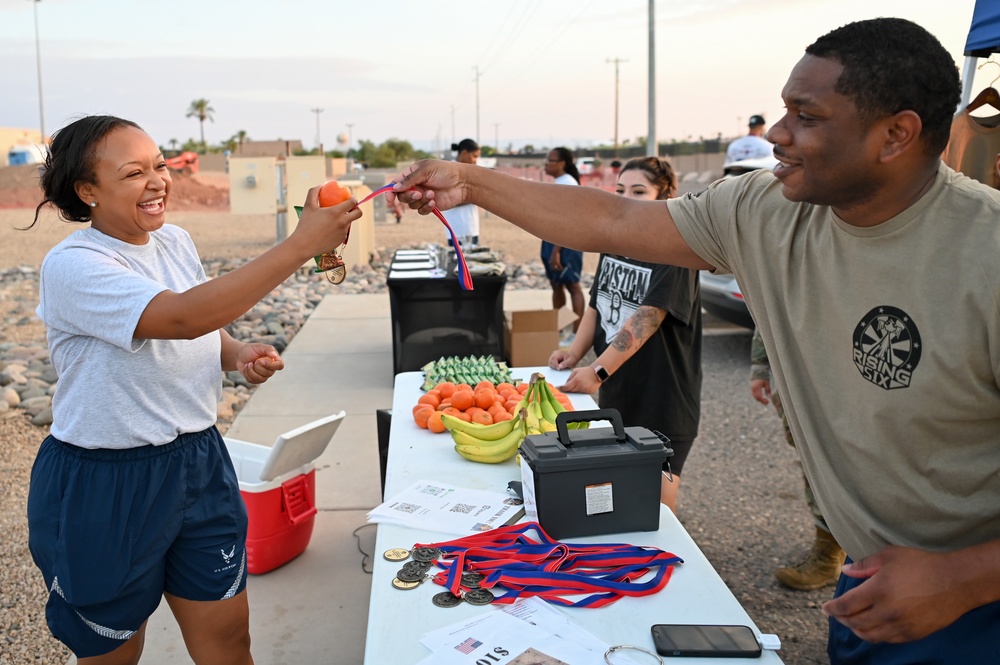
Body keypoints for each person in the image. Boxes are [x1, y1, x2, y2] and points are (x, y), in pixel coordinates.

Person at [391, 18, 1000, 663]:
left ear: (896, 134)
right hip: (874, 587)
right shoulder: (764, 209)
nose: (777, 136)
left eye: (807, 116)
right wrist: (474, 184)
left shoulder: (982, 254)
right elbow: (617, 218)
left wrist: (962, 578)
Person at [24, 115, 359, 664]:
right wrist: (302, 245)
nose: (157, 180)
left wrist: (234, 353)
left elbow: (200, 321)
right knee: (114, 653)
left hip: (198, 463)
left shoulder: (174, 241)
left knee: (228, 639)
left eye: (159, 165)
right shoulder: (74, 265)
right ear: (88, 191)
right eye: (133, 173)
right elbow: (177, 318)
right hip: (107, 479)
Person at [548, 157, 701, 514]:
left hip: (663, 397)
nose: (626, 199)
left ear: (663, 196)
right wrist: (574, 353)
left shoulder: (676, 249)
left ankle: (664, 560)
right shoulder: (616, 239)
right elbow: (597, 304)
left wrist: (597, 371)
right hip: (618, 391)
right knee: (618, 491)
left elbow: (648, 317)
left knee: (656, 500)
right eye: (620, 191)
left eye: (638, 191)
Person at [750, 328, 845, 590]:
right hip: (800, 376)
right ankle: (829, 554)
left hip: (842, 375)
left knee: (839, 462)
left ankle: (841, 551)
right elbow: (768, 309)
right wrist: (760, 365)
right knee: (815, 461)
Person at [541, 147, 585, 333]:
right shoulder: (559, 182)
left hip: (565, 243)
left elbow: (569, 221)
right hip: (552, 240)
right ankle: (558, 329)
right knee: (556, 284)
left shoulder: (568, 183)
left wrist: (557, 251)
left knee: (572, 285)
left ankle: (577, 332)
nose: (546, 163)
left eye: (550, 160)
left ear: (562, 164)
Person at [442, 138, 481, 245]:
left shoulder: (471, 170)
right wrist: (475, 197)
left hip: (472, 228)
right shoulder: (449, 170)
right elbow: (447, 199)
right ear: (464, 153)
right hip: (456, 230)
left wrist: (475, 196)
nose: (475, 160)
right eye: (474, 156)